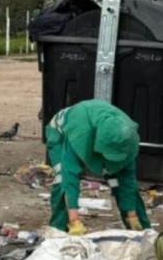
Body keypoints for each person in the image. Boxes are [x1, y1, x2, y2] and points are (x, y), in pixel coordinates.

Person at [45, 99, 151, 235]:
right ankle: (59, 231)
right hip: (62, 134)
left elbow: (128, 180)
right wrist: (74, 220)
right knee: (61, 181)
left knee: (120, 183)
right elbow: (69, 175)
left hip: (101, 138)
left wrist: (132, 215)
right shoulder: (81, 132)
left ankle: (141, 230)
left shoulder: (126, 136)